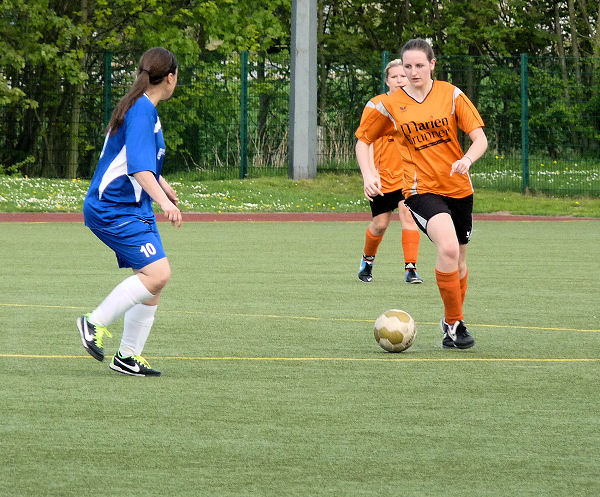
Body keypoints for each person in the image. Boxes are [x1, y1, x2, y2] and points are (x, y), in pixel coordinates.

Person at [355, 39, 488, 349]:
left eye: (419, 65)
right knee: (449, 248)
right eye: (407, 66)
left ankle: (450, 321)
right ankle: (456, 325)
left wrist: (467, 159)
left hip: (459, 189)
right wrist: (369, 174)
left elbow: (479, 138)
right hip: (419, 190)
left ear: (432, 65)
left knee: (460, 262)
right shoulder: (390, 105)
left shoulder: (451, 95)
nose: (413, 71)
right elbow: (362, 141)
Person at [77, 47, 182, 376]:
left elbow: (137, 161)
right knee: (157, 274)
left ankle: (127, 356)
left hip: (134, 207)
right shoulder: (140, 111)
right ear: (170, 77)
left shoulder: (145, 109)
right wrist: (164, 203)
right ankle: (93, 322)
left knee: (154, 280)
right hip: (113, 208)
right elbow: (137, 168)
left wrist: (161, 184)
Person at [355, 59, 423, 284]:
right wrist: (371, 173)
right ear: (387, 81)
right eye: (394, 77)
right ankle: (367, 260)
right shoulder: (376, 105)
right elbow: (366, 140)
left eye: (403, 76)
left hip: (407, 176)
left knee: (408, 217)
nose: (400, 80)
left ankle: (410, 269)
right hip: (382, 178)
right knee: (380, 224)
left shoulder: (417, 106)